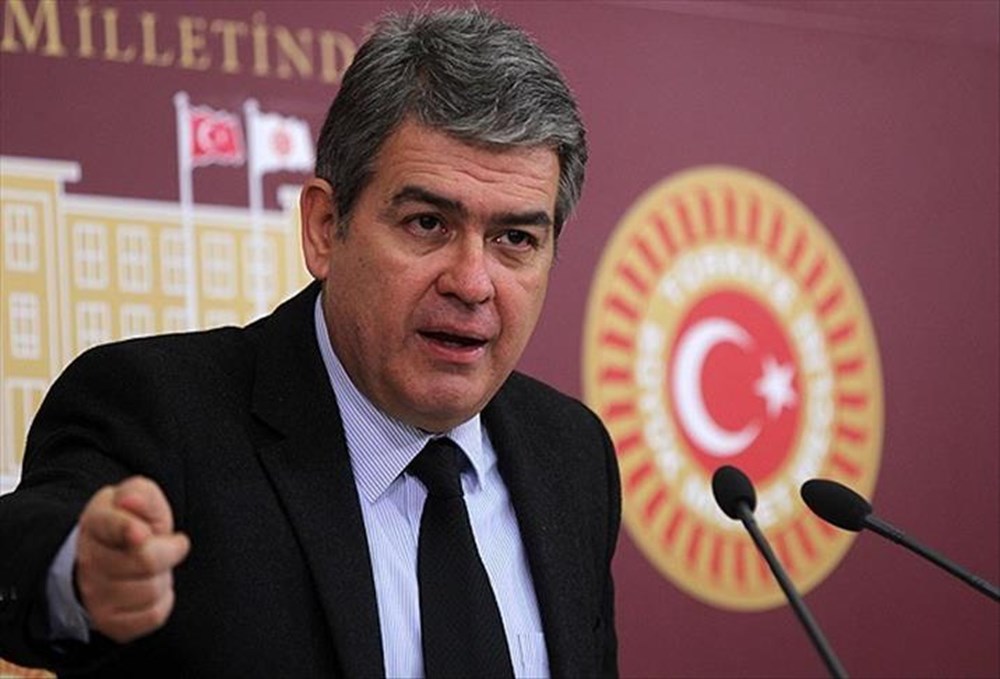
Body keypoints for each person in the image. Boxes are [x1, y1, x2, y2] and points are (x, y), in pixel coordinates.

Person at [0, 7, 620, 678]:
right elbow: (22, 546)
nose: (472, 282)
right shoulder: (158, 410)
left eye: (515, 239)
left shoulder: (572, 455)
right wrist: (78, 572)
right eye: (427, 223)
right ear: (325, 227)